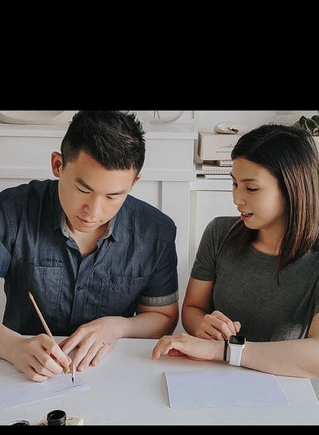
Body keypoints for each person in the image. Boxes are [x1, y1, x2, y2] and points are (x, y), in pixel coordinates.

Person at [0, 110, 179, 381]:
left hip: (109, 374)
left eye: (113, 196)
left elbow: (162, 317)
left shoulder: (155, 232)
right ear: (58, 165)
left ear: (133, 183)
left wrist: (118, 327)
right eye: (83, 190)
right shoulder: (11, 212)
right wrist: (12, 347)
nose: (93, 211)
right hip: (19, 373)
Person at [152, 123, 319, 379]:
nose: (237, 199)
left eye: (251, 188)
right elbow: (193, 308)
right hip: (211, 377)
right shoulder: (219, 233)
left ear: (292, 187)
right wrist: (204, 327)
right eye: (234, 184)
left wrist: (227, 351)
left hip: (281, 387)